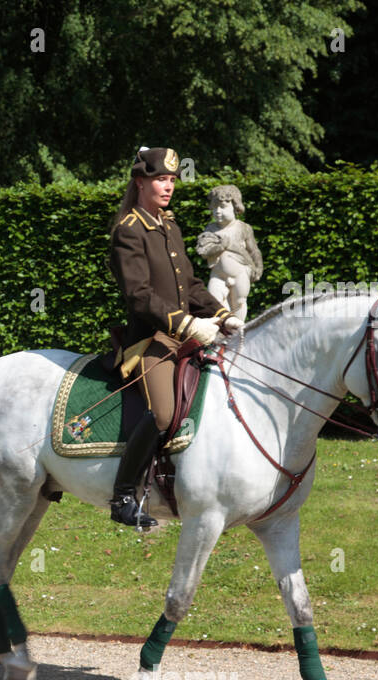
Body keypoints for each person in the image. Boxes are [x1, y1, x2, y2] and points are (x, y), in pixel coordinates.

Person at [107, 147, 241, 528]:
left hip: (183, 335)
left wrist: (221, 315)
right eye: (160, 180)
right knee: (163, 413)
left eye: (171, 180)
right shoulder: (129, 230)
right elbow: (139, 296)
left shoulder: (168, 226)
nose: (168, 187)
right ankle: (122, 497)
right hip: (150, 341)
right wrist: (185, 324)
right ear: (140, 183)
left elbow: (191, 285)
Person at [195, 183, 263, 324]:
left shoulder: (243, 228)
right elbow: (203, 252)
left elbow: (254, 250)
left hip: (240, 273)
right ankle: (223, 332)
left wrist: (258, 267)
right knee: (215, 303)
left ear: (236, 207)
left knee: (239, 302)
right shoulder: (210, 229)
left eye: (222, 207)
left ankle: (239, 333)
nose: (217, 212)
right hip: (218, 276)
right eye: (214, 208)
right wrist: (220, 247)